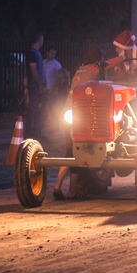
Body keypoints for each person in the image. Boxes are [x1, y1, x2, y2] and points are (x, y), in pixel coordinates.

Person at [53, 44, 111, 200]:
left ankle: (57, 186)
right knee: (78, 154)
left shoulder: (80, 69)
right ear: (99, 58)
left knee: (68, 153)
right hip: (84, 117)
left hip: (69, 114)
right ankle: (72, 191)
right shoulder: (97, 70)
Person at [25, 32, 45, 138]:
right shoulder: (32, 53)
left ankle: (35, 130)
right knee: (33, 107)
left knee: (37, 107)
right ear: (38, 40)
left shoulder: (36, 52)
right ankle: (30, 130)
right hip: (34, 83)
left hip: (35, 83)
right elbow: (33, 69)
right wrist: (40, 83)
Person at [42, 47, 63, 125]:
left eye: (54, 54)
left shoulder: (56, 64)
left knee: (50, 106)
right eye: (51, 53)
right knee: (45, 106)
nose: (53, 55)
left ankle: (54, 122)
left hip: (51, 88)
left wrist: (54, 87)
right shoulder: (43, 62)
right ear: (47, 53)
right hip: (44, 88)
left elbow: (60, 77)